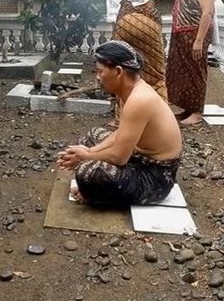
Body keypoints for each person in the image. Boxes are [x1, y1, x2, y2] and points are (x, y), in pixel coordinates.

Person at [56, 41, 182, 206]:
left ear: (118, 72)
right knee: (93, 136)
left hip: (156, 176)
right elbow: (121, 133)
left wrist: (85, 157)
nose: (97, 77)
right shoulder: (129, 91)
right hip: (138, 158)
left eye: (100, 71)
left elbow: (119, 157)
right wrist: (89, 151)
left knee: (86, 172)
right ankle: (96, 189)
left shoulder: (139, 100)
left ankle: (95, 195)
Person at [166, 0, 221, 125]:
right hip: (182, 34)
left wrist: (198, 40)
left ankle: (197, 112)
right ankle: (187, 108)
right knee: (182, 72)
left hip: (194, 34)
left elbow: (207, 14)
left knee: (195, 71)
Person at [111, 0, 168, 102]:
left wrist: (115, 43)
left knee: (125, 70)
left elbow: (114, 21)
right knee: (156, 73)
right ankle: (159, 111)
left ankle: (123, 115)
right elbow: (153, 14)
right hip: (150, 27)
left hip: (126, 25)